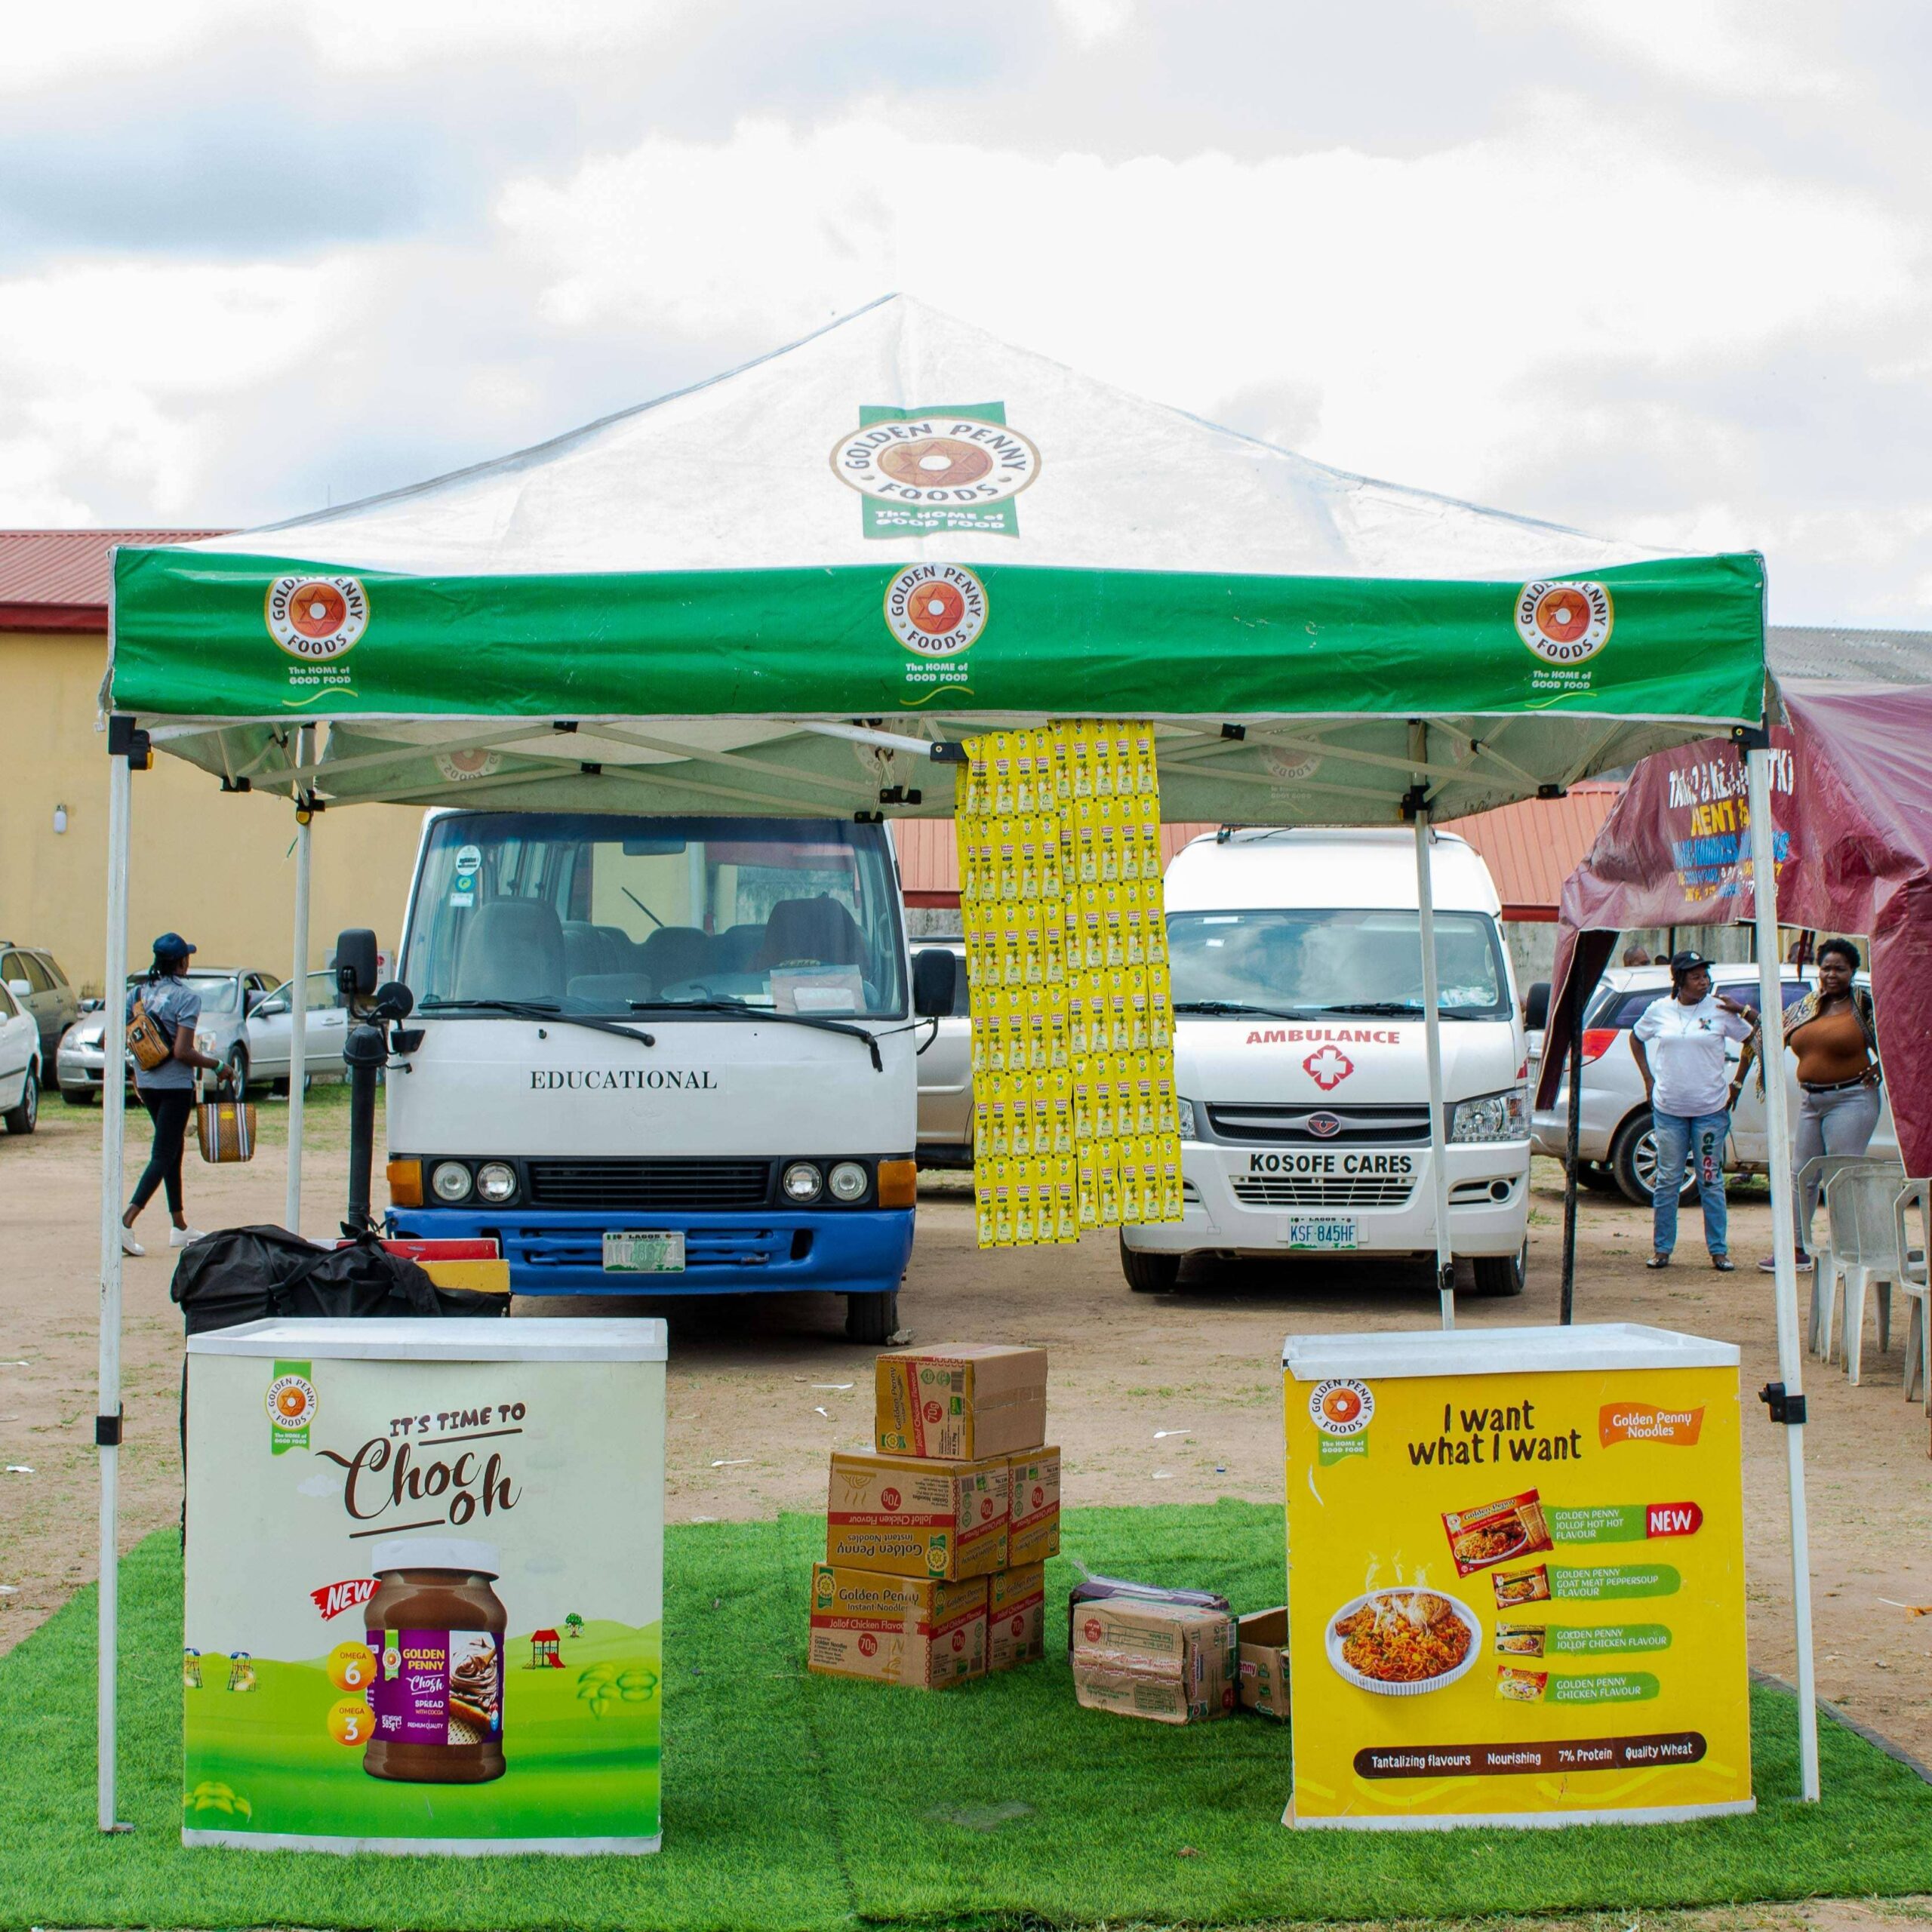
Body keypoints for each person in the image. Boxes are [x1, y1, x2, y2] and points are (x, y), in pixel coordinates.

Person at [1740, 936, 1882, 1274]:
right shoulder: (1807, 1006)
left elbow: (1898, 1042)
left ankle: (1848, 1252)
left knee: (1841, 1176)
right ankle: (1796, 1249)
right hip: (1811, 1100)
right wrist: (1744, 1013)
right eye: (1826, 968)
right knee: (1801, 1174)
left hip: (1852, 1099)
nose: (1831, 975)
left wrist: (1882, 1066)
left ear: (1853, 971)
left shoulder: (1864, 1005)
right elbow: (1770, 1032)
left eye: (1840, 969)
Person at [1629, 950, 1758, 1272]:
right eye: (1696, 977)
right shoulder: (1659, 1010)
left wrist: (1738, 1082)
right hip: (1669, 1110)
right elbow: (1636, 1037)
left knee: (1710, 1180)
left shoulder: (1719, 1009)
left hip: (1710, 1110)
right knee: (1668, 1179)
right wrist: (1648, 1079)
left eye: (1706, 976)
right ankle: (1662, 1249)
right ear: (1680, 980)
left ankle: (1718, 1251)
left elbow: (1753, 1039)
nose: (1704, 982)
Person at [120, 934, 228, 1257]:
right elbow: (183, 1052)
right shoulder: (187, 998)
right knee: (163, 1154)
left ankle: (179, 1226)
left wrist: (135, 1074)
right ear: (181, 963)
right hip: (175, 1087)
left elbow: (126, 1038)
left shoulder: (137, 994)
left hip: (147, 1083)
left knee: (173, 1148)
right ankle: (124, 1222)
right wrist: (218, 1065)